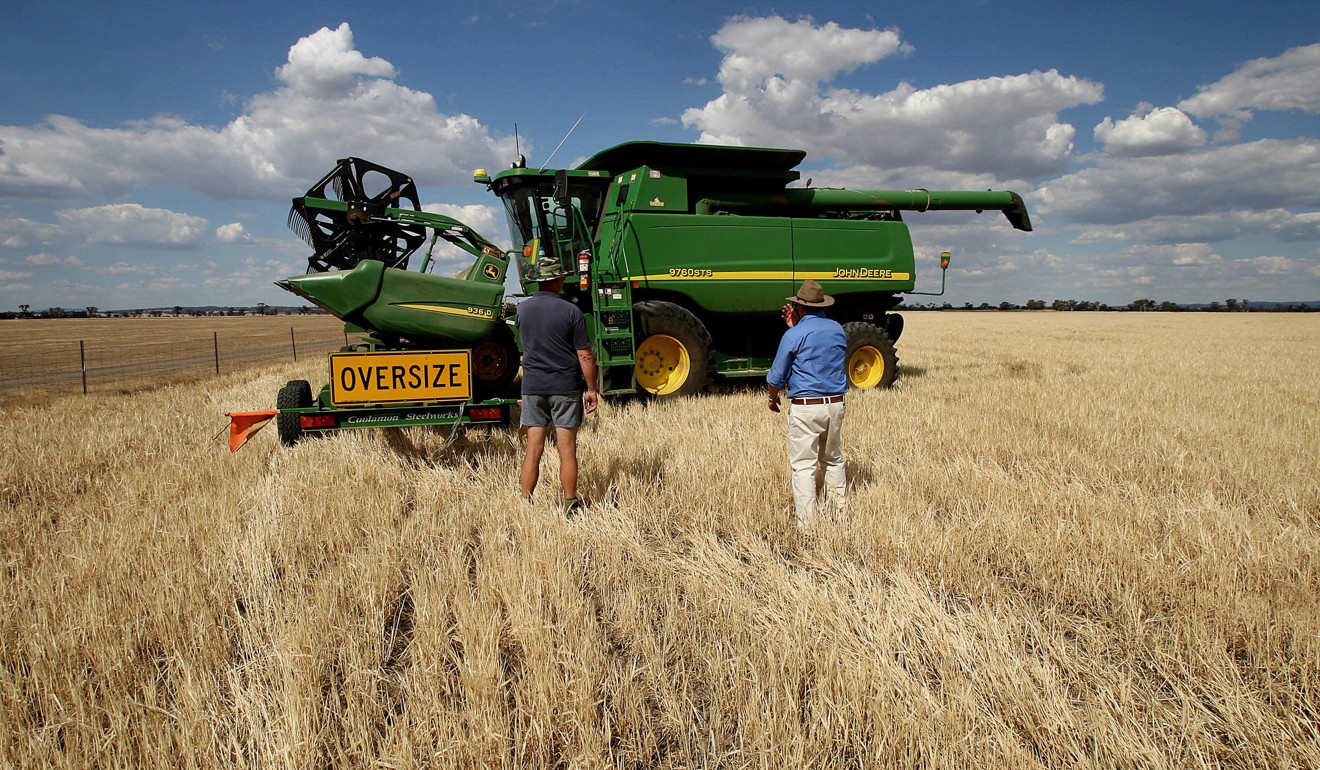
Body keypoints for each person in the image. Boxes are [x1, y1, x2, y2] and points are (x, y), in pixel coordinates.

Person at [517, 255, 599, 515]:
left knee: (533, 449)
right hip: (564, 387)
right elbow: (584, 354)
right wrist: (592, 388)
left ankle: (525, 502)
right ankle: (569, 504)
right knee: (567, 451)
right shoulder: (571, 311)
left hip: (532, 386)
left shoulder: (523, 309)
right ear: (557, 281)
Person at [766, 279, 849, 531]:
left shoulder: (794, 334)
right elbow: (819, 354)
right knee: (833, 459)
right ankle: (840, 517)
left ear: (801, 307)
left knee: (804, 466)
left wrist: (772, 398)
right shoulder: (837, 330)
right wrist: (796, 326)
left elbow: (777, 375)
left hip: (806, 406)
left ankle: (807, 527)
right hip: (836, 404)